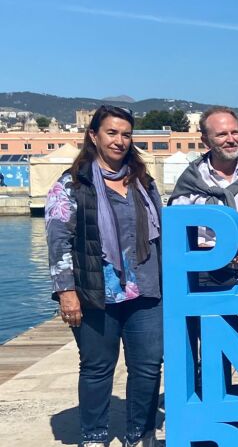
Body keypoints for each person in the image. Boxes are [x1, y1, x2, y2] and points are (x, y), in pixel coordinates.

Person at [45, 105, 163, 447]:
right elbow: (58, 239)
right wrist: (66, 291)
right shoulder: (72, 184)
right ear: (93, 135)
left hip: (146, 291)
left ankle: (139, 433)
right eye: (111, 133)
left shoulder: (143, 181)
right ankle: (94, 435)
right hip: (96, 291)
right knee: (97, 368)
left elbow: (162, 233)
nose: (119, 141)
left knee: (148, 366)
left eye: (126, 134)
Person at [167, 106, 238, 432]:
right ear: (205, 140)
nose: (231, 139)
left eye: (235, 132)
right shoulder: (192, 179)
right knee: (215, 352)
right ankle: (222, 425)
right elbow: (178, 229)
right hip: (209, 276)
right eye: (222, 134)